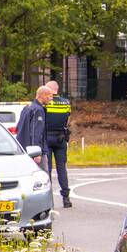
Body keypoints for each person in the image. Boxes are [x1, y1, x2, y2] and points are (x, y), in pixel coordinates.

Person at [44, 80, 72, 208]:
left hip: (47, 137)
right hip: (61, 137)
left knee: (47, 168)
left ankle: (48, 199)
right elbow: (67, 120)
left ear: (49, 89)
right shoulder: (66, 103)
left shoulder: (46, 103)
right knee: (62, 169)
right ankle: (66, 198)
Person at [16, 86, 52, 172]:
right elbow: (36, 132)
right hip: (33, 151)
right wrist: (36, 153)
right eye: (50, 96)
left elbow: (18, 127)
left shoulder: (27, 107)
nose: (51, 99)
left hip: (23, 149)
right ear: (42, 95)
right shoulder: (38, 110)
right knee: (43, 176)